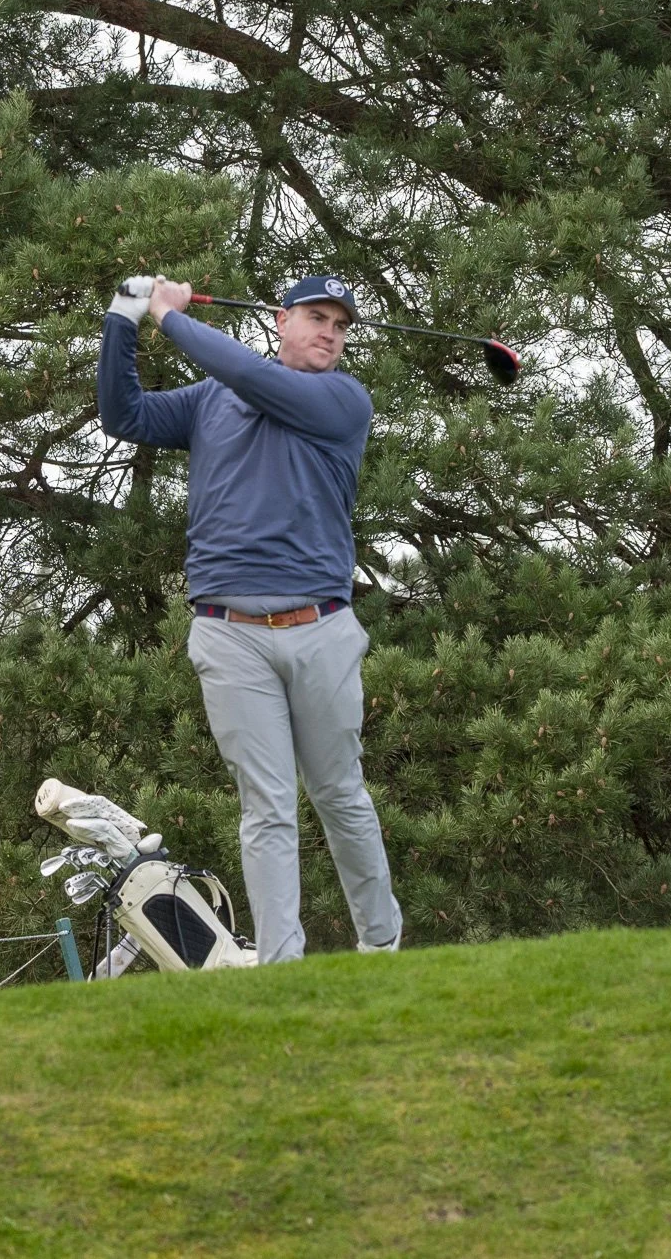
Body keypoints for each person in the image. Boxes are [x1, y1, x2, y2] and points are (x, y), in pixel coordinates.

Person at [97, 274, 403, 964]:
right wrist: (123, 317)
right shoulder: (211, 401)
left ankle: (381, 942)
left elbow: (248, 374)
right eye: (316, 316)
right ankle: (281, 966)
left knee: (338, 792)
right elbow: (125, 416)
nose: (331, 331)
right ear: (280, 320)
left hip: (320, 627)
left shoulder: (342, 400)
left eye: (342, 324)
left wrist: (169, 318)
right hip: (229, 633)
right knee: (265, 804)